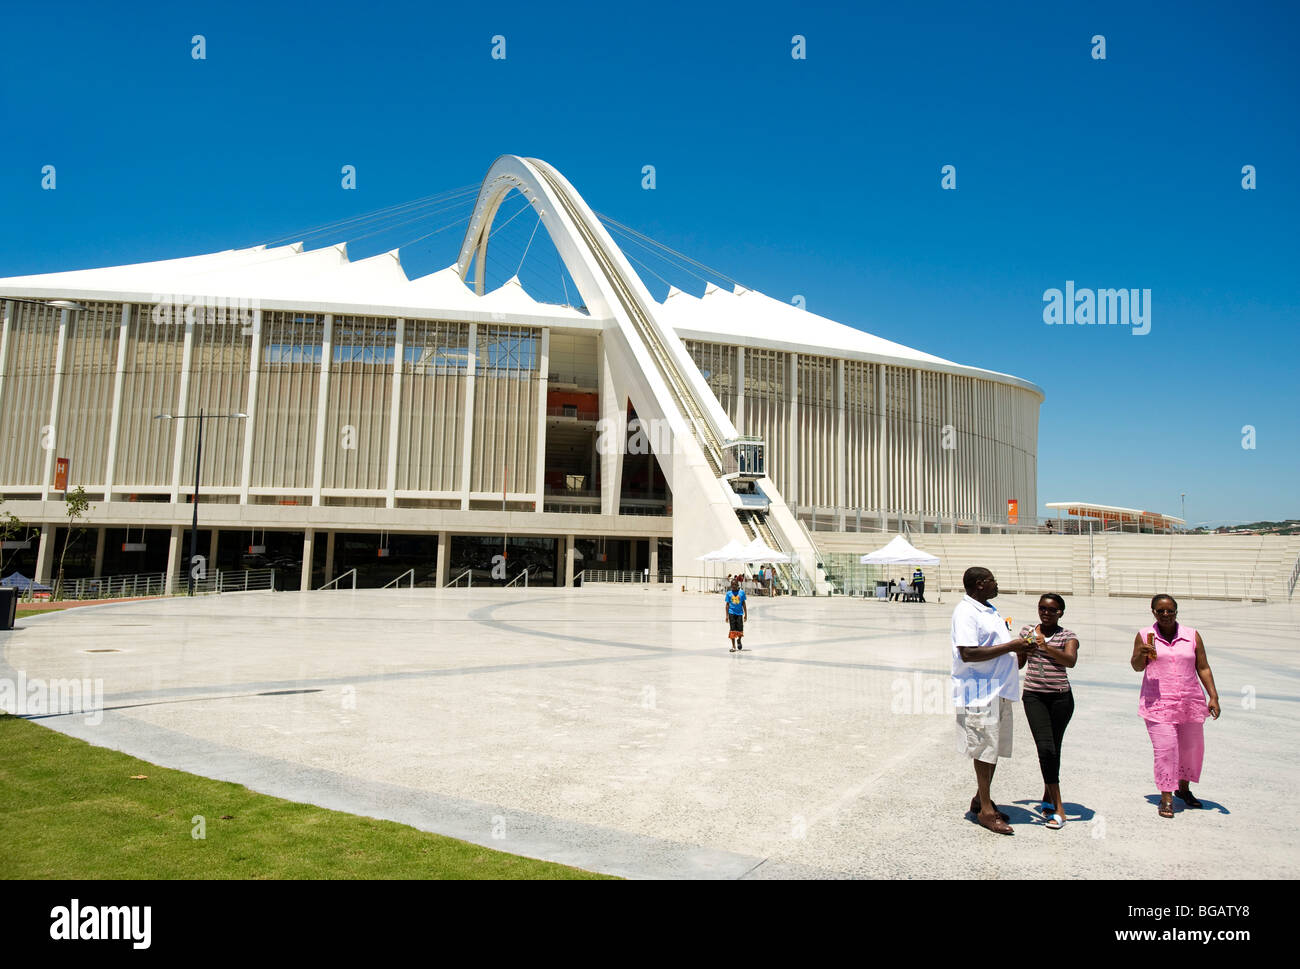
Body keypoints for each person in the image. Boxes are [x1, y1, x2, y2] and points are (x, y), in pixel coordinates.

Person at [951, 566, 1036, 834]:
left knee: (993, 747)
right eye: (991, 581)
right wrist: (1012, 647)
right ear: (979, 584)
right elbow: (968, 653)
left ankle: (980, 799)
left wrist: (1020, 651)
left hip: (999, 689)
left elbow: (995, 646)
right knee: (984, 749)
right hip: (979, 692)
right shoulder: (965, 612)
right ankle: (986, 811)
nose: (996, 584)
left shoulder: (988, 609)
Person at [1131, 594, 1221, 818]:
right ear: (1153, 612)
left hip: (1190, 701)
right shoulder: (1144, 635)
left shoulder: (1192, 635)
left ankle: (1183, 789)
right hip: (1158, 703)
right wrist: (1140, 655)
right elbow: (1136, 667)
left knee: (1191, 749)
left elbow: (1203, 667)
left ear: (1176, 611)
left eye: (1170, 610)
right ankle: (1166, 797)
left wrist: (1213, 696)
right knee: (1166, 750)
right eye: (1160, 611)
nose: (1165, 614)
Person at [1019, 593, 1079, 830]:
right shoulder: (1027, 631)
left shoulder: (1068, 636)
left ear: (1060, 613)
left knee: (1054, 748)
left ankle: (1047, 795)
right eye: (1042, 608)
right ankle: (1059, 808)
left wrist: (1045, 645)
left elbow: (1070, 661)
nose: (1046, 613)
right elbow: (1020, 663)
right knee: (1045, 748)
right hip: (1034, 696)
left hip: (1061, 698)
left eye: (1051, 610)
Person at [724, 577, 748, 652]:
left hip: (739, 614)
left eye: (735, 584)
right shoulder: (728, 593)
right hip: (731, 613)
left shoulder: (742, 593)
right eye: (732, 585)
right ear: (731, 585)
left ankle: (739, 640)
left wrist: (746, 614)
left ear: (738, 585)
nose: (734, 586)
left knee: (740, 630)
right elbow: (727, 605)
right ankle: (733, 646)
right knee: (732, 630)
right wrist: (727, 616)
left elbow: (744, 604)